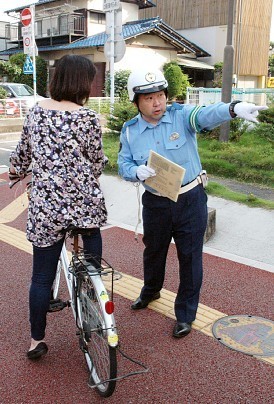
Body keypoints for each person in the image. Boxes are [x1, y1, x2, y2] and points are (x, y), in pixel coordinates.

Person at [118, 67, 267, 339]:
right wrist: (134, 172)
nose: (158, 102)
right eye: (150, 98)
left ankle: (186, 313)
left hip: (189, 199)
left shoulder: (181, 116)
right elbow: (123, 163)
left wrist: (233, 108)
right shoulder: (129, 132)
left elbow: (205, 115)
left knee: (189, 257)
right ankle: (150, 291)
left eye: (161, 95)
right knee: (154, 251)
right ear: (136, 101)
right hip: (156, 202)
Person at [9, 55, 108, 358]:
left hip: (46, 207)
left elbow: (22, 155)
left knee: (41, 277)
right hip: (84, 205)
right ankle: (93, 296)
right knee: (91, 261)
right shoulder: (88, 118)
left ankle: (36, 340)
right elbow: (96, 162)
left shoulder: (36, 113)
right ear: (82, 82)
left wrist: (16, 172)